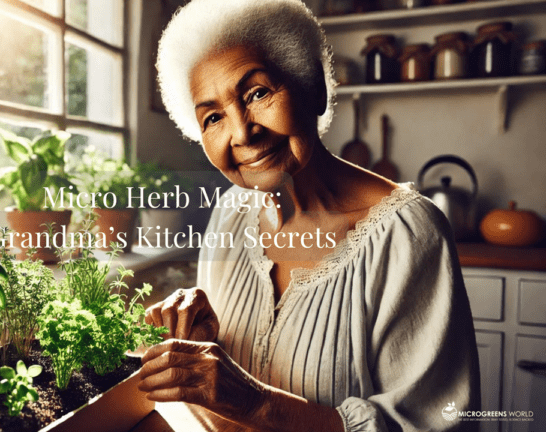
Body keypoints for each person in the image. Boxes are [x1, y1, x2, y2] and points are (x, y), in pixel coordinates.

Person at [138, 0, 481, 431]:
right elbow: (222, 388)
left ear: (313, 87)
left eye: (258, 93)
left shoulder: (407, 233)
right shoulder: (229, 214)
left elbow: (438, 424)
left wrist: (255, 403)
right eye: (213, 117)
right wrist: (206, 342)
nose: (243, 132)